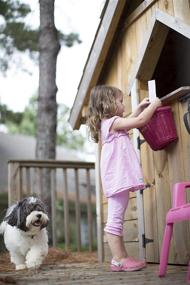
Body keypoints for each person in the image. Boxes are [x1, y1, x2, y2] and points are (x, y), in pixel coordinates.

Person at [87, 85, 162, 272]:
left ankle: (118, 260)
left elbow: (130, 120)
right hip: (117, 179)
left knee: (116, 217)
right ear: (108, 104)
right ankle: (120, 258)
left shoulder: (111, 124)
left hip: (117, 179)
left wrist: (138, 109)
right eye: (120, 101)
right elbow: (139, 121)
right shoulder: (111, 123)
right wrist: (155, 105)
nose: (123, 104)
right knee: (114, 220)